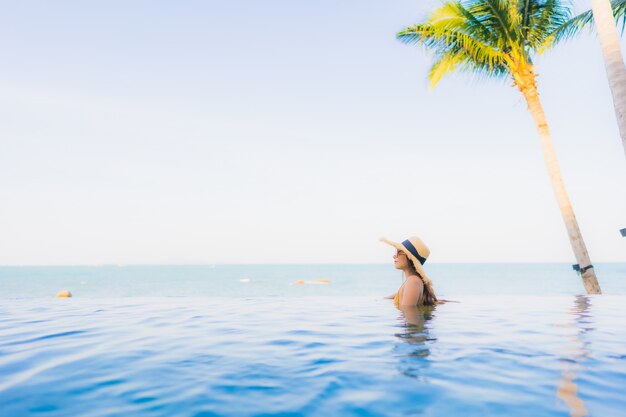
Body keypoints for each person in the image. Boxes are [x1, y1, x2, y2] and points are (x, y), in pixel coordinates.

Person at [380, 236, 437, 307]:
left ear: (410, 257)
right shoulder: (412, 282)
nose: (394, 256)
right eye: (396, 251)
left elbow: (410, 317)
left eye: (400, 252)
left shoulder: (413, 282)